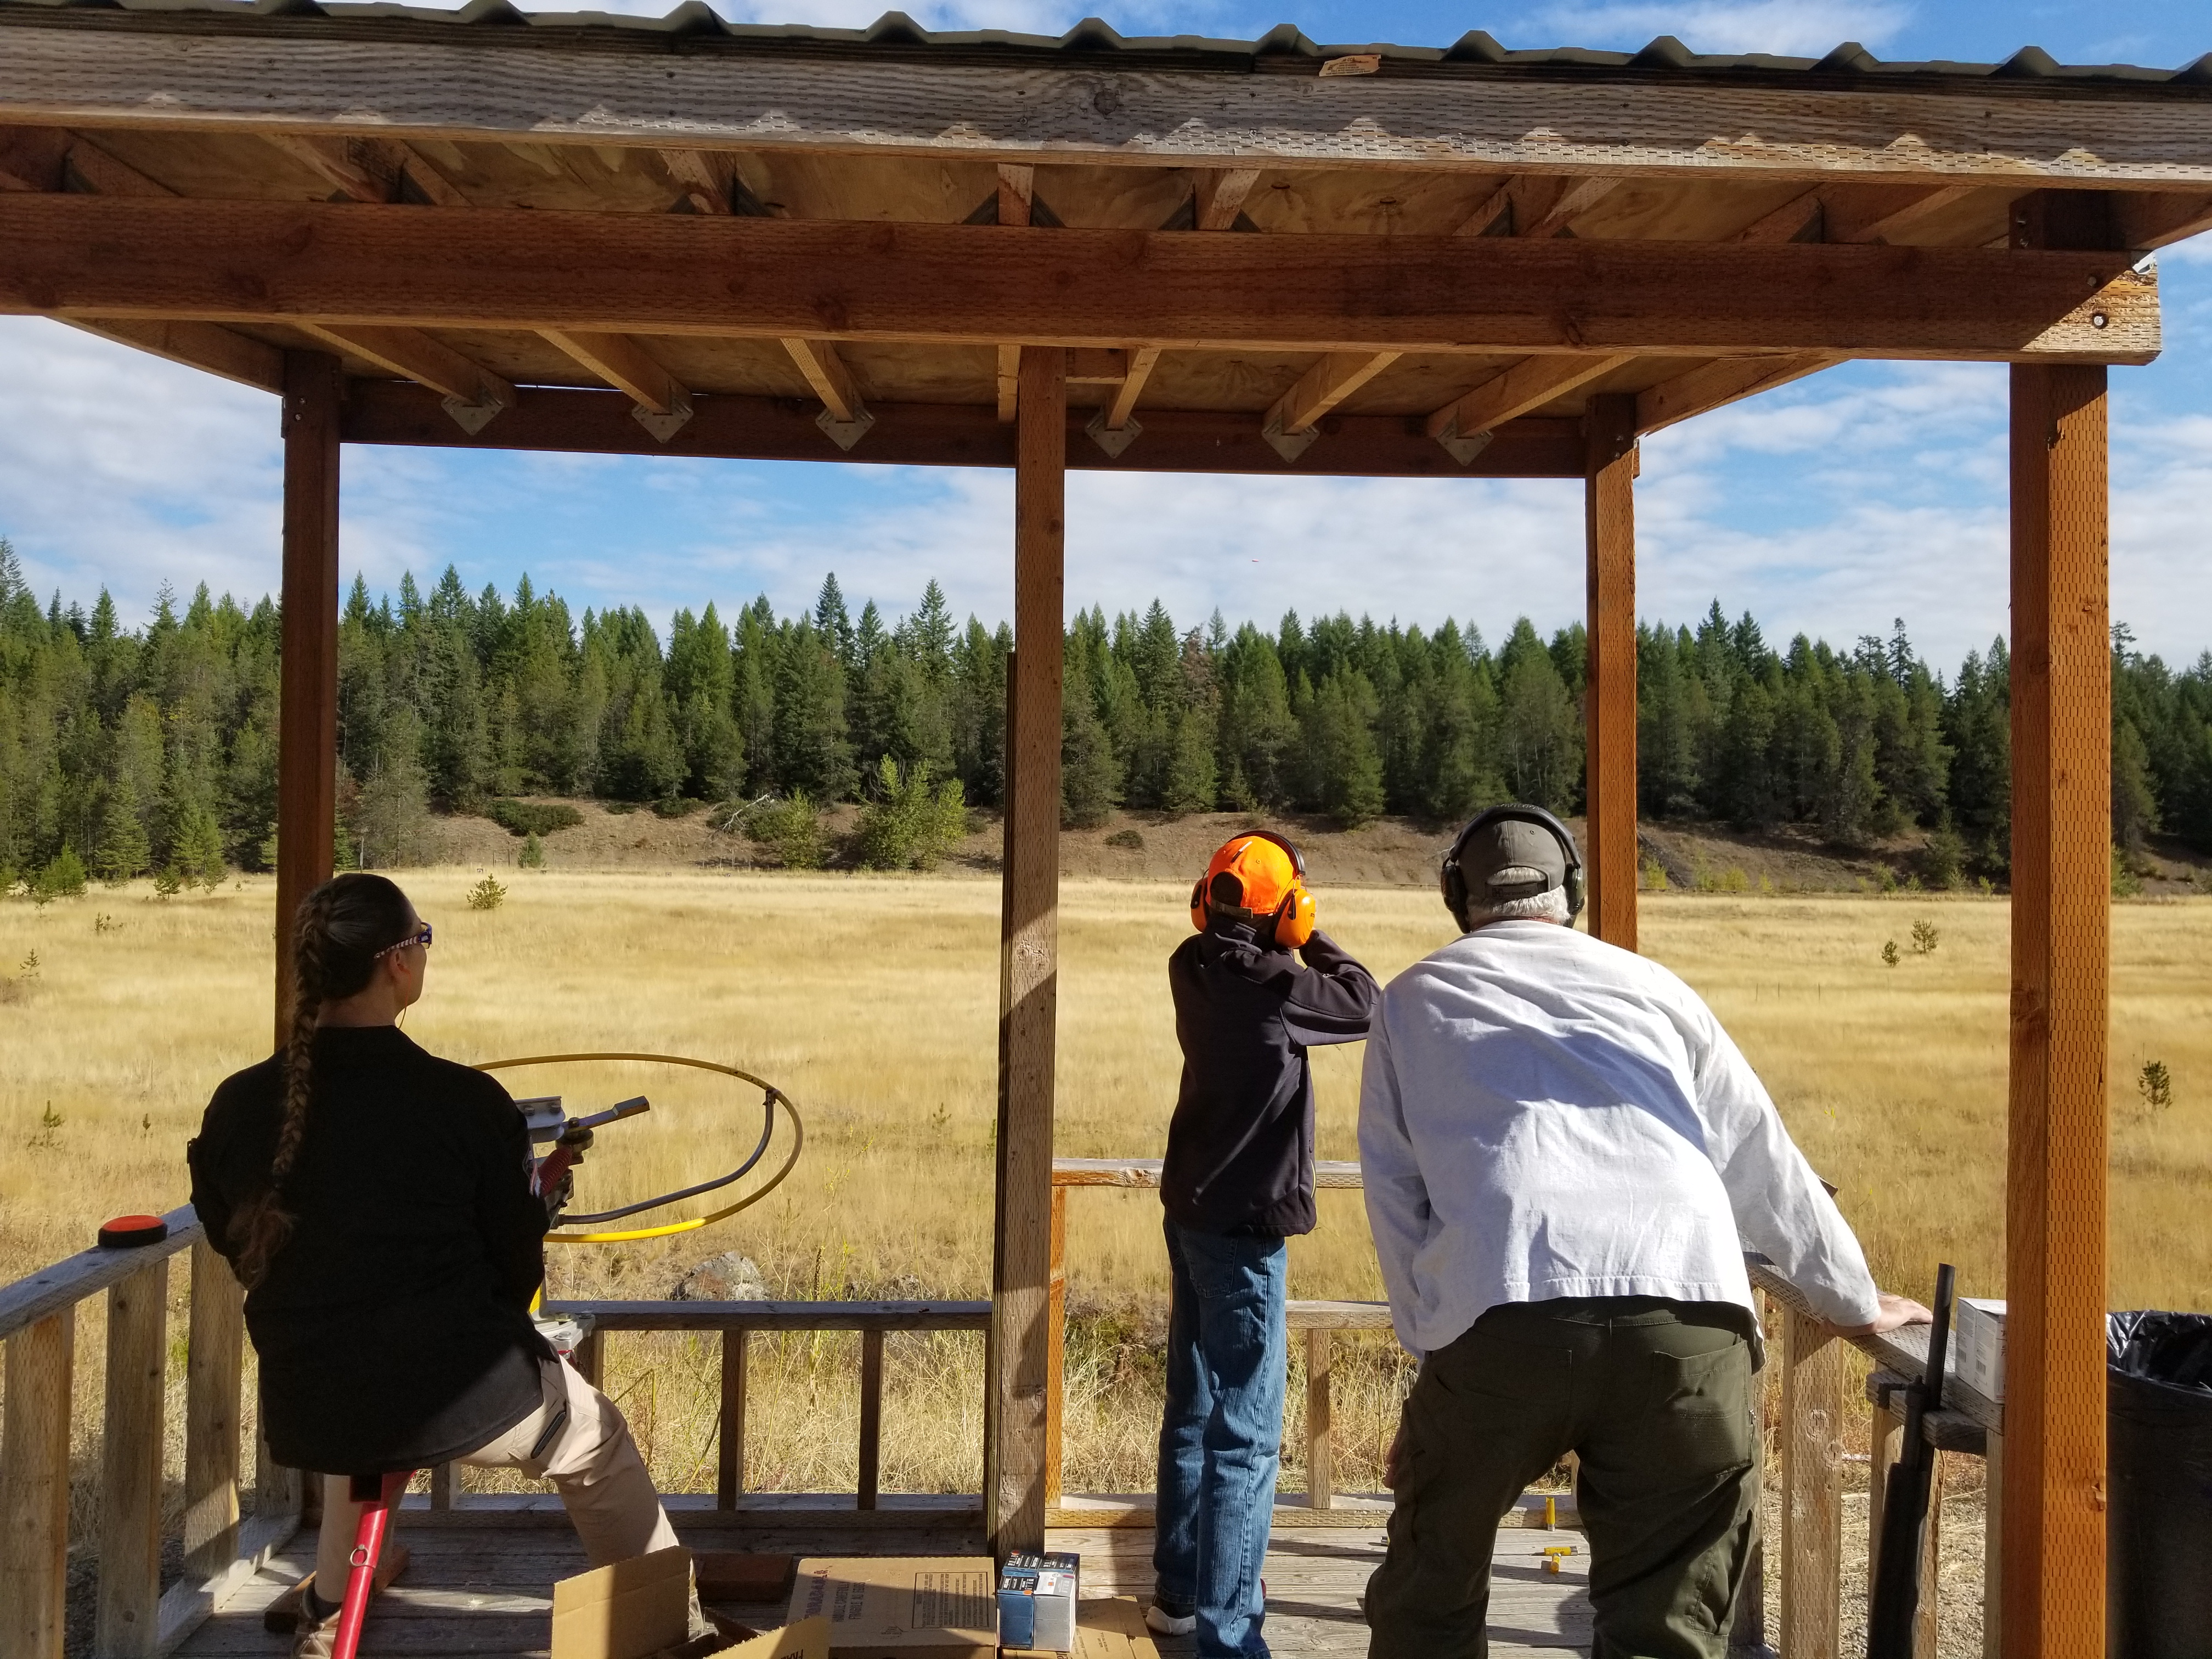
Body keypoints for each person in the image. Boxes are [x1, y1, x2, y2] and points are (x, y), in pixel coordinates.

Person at [1357, 807, 1929, 1659]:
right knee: (1668, 1631)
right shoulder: (1656, 987)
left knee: (1427, 1602)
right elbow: (1762, 1160)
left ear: (1456, 896)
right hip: (1688, 1312)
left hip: (1499, 1316)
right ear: (1573, 893)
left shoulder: (1409, 1000)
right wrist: (1847, 1297)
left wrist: (1434, 1362)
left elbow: (1399, 1200)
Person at [188, 873, 723, 1658]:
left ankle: (335, 1599)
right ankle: (670, 1628)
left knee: (363, 1426)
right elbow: (514, 1268)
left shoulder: (238, 1103)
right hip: (454, 1390)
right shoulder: (466, 1103)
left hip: (310, 1395)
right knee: (594, 1440)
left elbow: (232, 1238)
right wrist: (534, 1208)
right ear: (399, 963)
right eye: (424, 940)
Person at [1151, 832, 1379, 1657]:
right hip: (1244, 1232)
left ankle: (1177, 1597)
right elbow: (1363, 1001)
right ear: (1282, 910)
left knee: (1192, 1409)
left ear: (1205, 899)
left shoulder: (1190, 963)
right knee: (1244, 1436)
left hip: (1189, 1212)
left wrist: (1280, 926)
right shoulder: (1279, 983)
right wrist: (1306, 931)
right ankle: (1229, 1636)